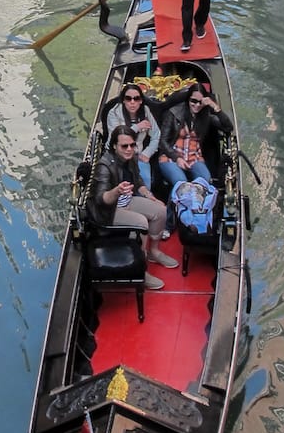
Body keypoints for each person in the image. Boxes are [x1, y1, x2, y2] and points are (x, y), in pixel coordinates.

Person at [92, 125, 178, 289]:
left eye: (132, 145)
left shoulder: (130, 158)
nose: (129, 149)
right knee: (142, 222)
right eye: (124, 146)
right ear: (115, 146)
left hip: (127, 201)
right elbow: (101, 199)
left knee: (160, 210)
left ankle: (154, 252)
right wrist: (117, 191)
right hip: (110, 211)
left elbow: (138, 180)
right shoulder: (104, 166)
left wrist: (150, 196)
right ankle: (140, 269)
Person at [158, 84, 233, 199]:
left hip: (194, 158)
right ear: (188, 99)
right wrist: (177, 158)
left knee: (205, 182)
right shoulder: (174, 113)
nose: (197, 105)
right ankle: (174, 213)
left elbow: (228, 127)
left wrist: (214, 106)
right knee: (182, 185)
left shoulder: (205, 115)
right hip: (171, 157)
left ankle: (199, 211)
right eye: (193, 101)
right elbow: (163, 141)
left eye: (200, 102)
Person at [105, 86, 161, 190]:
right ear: (123, 100)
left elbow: (156, 134)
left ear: (140, 101)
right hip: (117, 155)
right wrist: (137, 127)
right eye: (128, 98)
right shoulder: (114, 113)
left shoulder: (145, 111)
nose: (132, 102)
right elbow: (117, 138)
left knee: (145, 183)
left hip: (137, 155)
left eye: (136, 98)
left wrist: (147, 152)